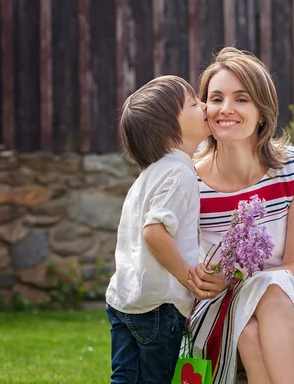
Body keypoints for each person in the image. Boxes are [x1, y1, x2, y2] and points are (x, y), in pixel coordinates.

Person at [186, 47, 294, 384]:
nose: (226, 109)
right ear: (204, 108)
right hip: (218, 311)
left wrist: (235, 276)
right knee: (254, 319)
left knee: (266, 305)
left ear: (262, 112)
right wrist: (220, 280)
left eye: (241, 99)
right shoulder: (190, 180)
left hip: (286, 301)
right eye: (216, 98)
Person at [105, 75, 210, 383]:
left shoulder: (148, 176)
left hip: (123, 300)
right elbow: (154, 232)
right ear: (169, 130)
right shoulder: (180, 173)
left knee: (124, 378)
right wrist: (188, 279)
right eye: (193, 103)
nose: (204, 105)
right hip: (159, 305)